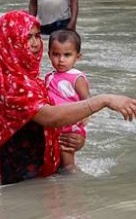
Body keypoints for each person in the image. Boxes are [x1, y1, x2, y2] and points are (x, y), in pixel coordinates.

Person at [0, 10, 136, 184]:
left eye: (37, 36)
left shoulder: (27, 76)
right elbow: (51, 117)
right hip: (24, 181)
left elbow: (50, 123)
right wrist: (104, 100)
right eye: (27, 37)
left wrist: (74, 142)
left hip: (39, 174)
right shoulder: (12, 83)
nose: (35, 43)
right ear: (10, 41)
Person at [45, 29, 90, 172]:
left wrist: (84, 117)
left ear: (77, 57)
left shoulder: (77, 77)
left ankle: (72, 183)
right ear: (49, 55)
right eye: (56, 54)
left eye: (67, 55)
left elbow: (87, 100)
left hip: (70, 126)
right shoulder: (49, 76)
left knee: (67, 162)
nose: (61, 59)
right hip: (55, 123)